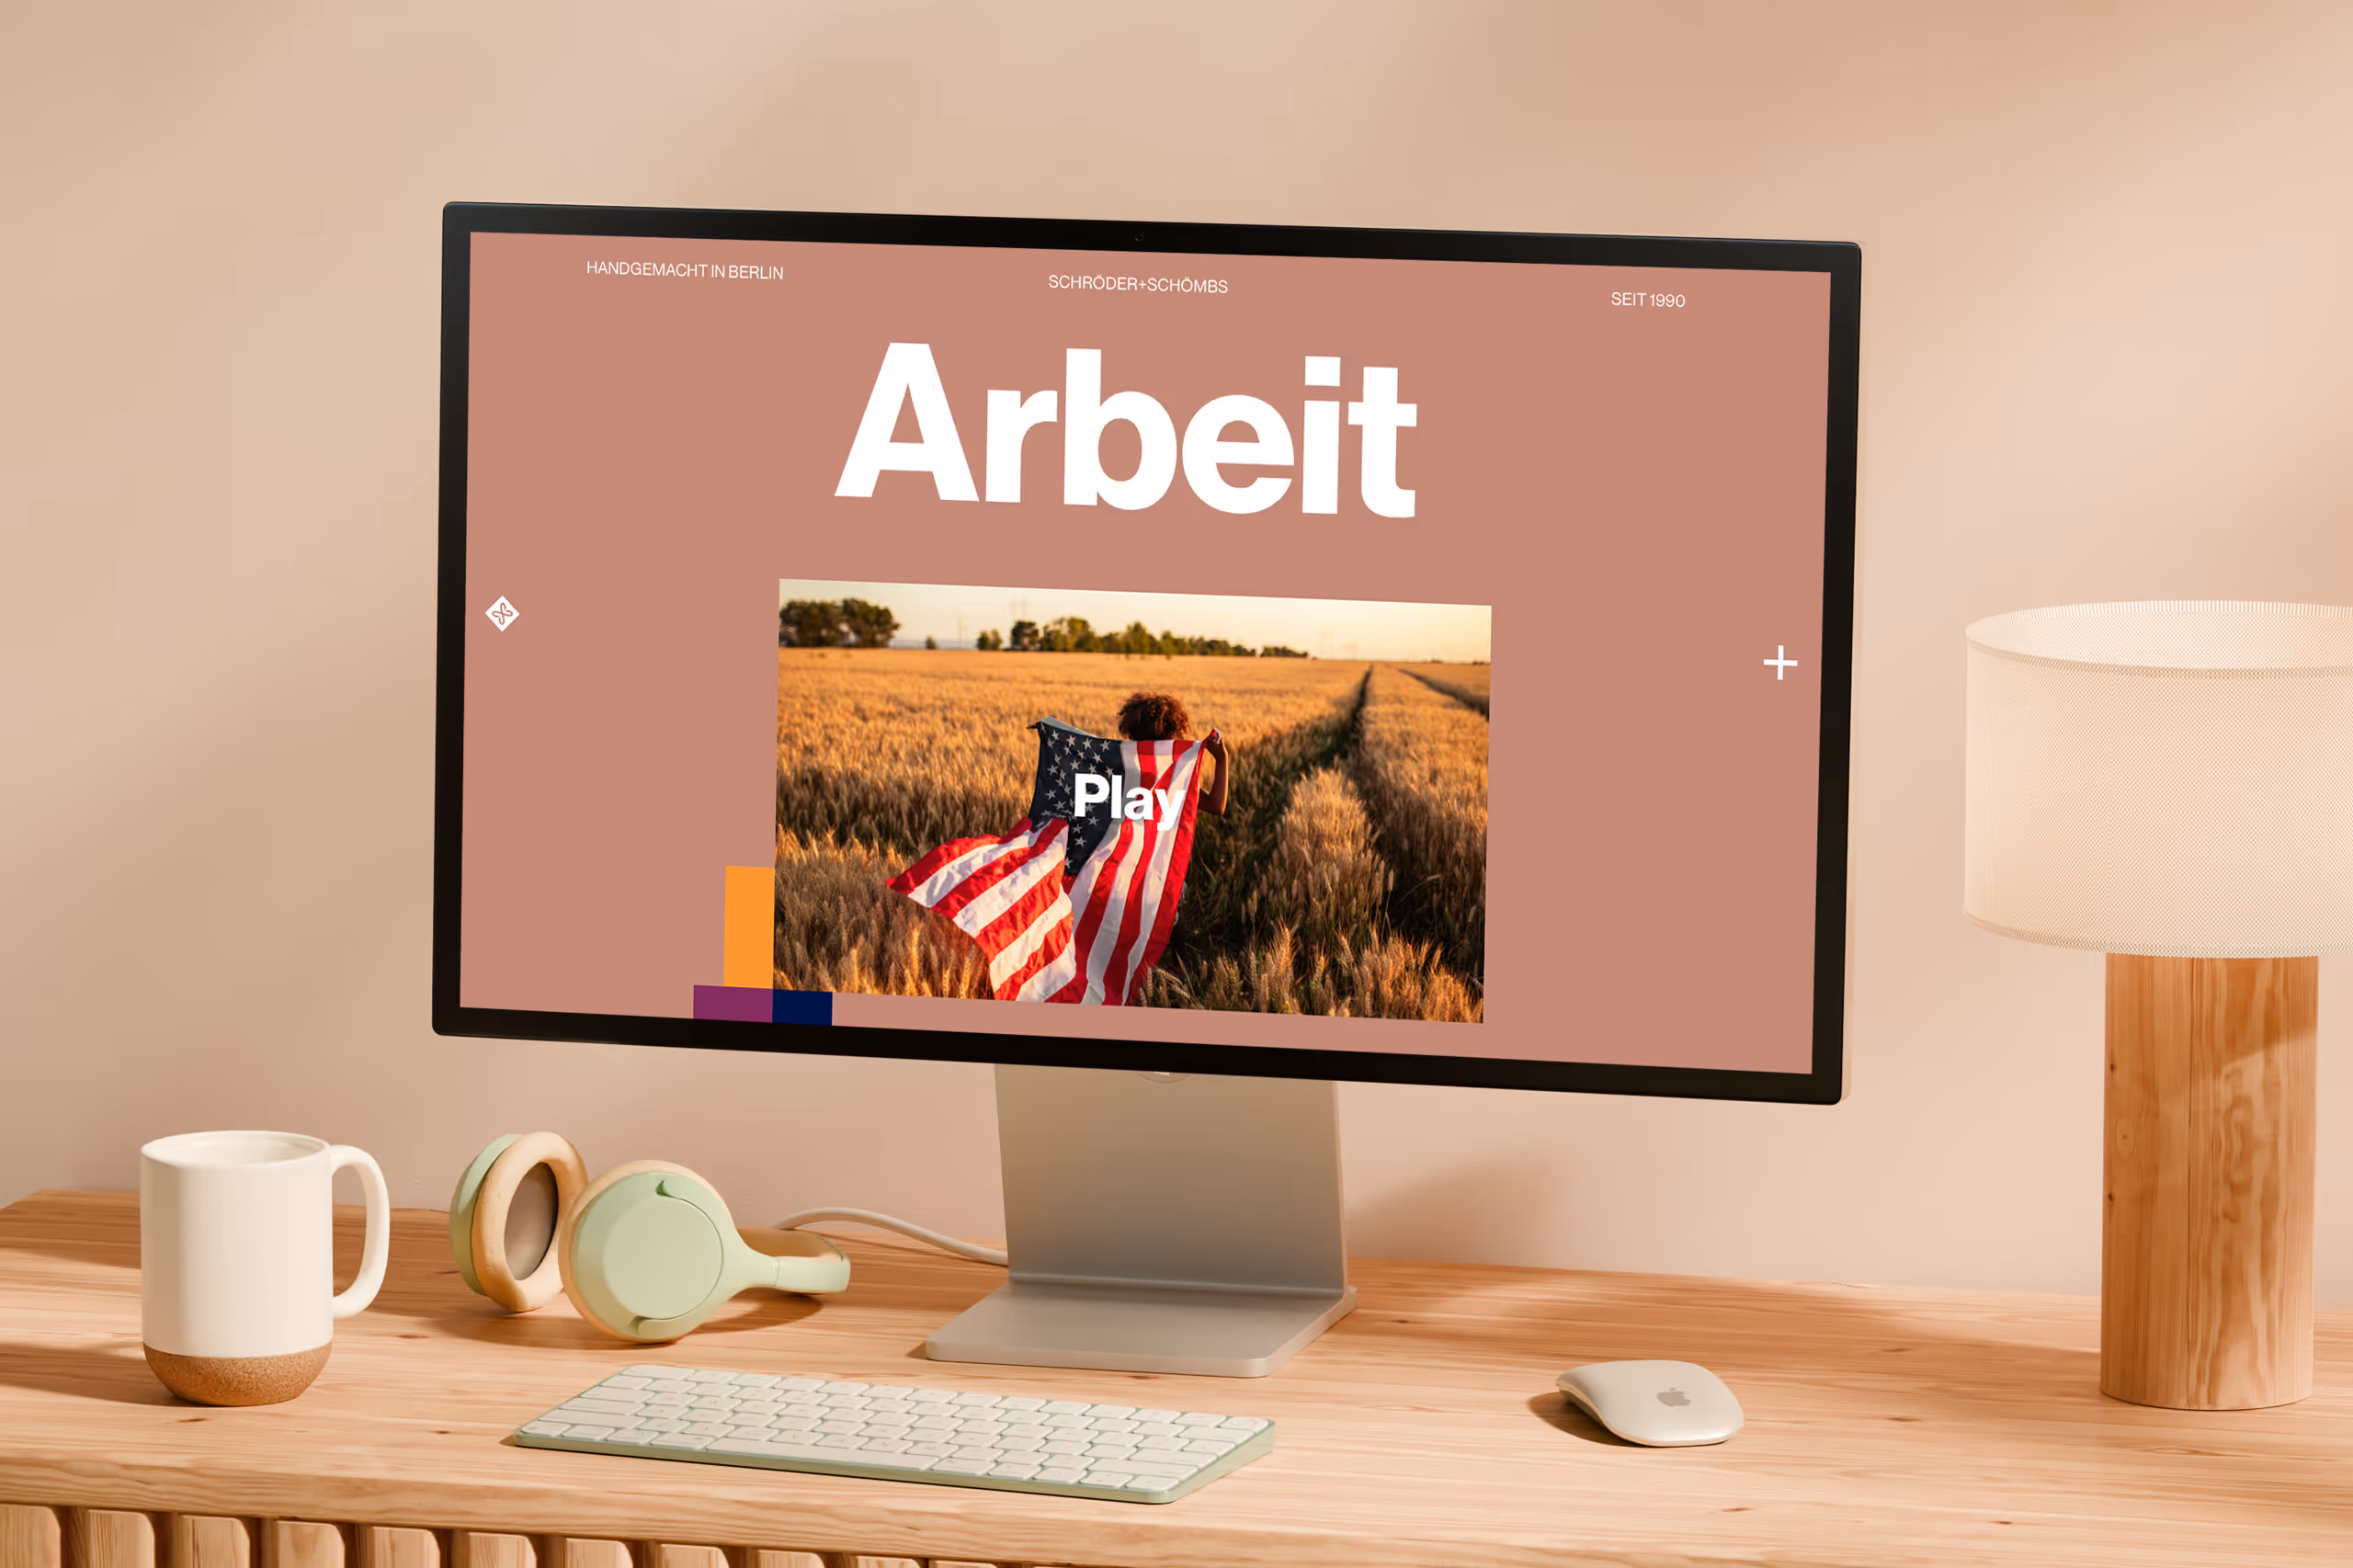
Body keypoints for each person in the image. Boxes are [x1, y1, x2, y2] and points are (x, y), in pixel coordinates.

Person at [1115, 690, 1228, 814]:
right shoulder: (1175, 778)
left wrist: (1222, 759)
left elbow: (1215, 806)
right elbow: (1215, 806)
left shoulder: (1121, 771)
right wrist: (1221, 759)